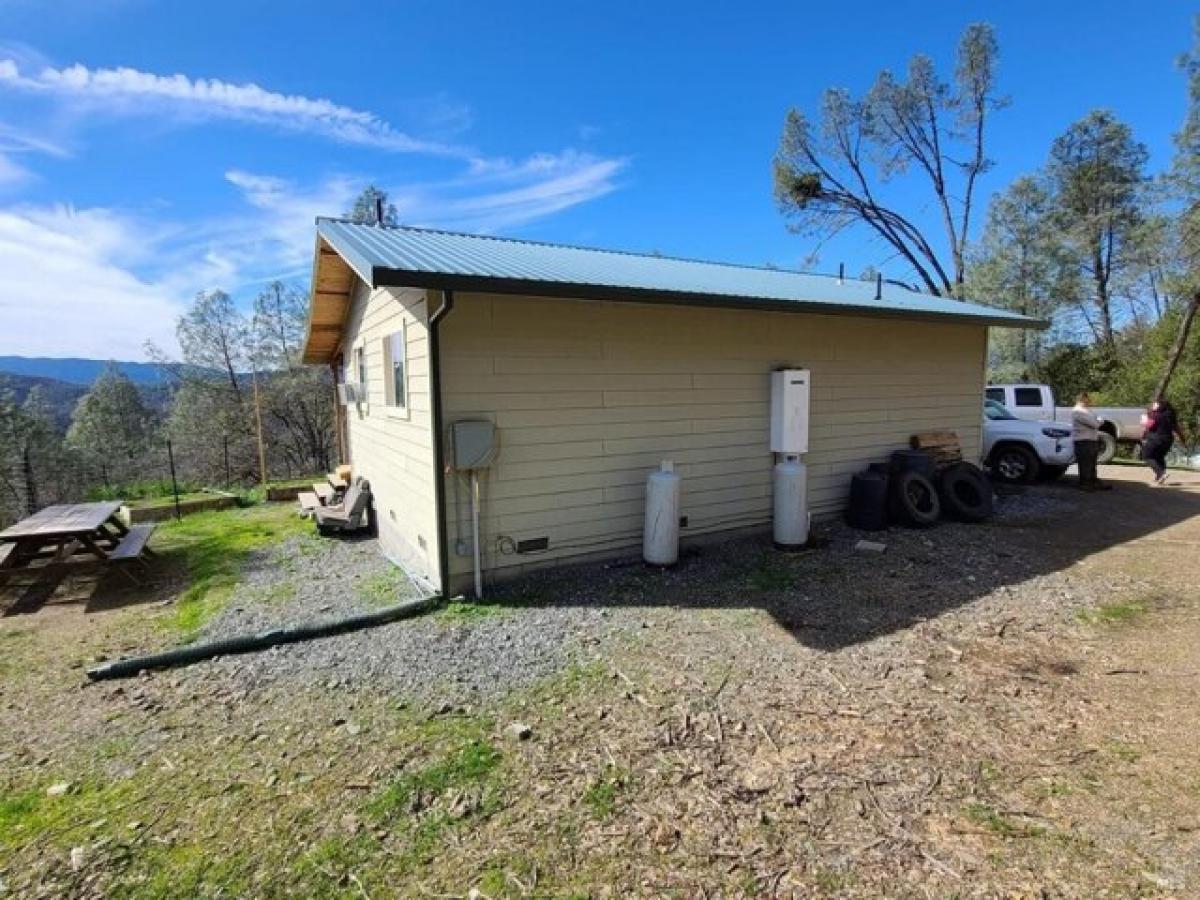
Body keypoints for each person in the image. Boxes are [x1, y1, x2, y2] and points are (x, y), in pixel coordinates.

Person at [1142, 398, 1187, 485]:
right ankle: (1160, 476)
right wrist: (1183, 440)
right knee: (1159, 456)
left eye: (1155, 404)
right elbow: (1177, 429)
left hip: (1155, 439)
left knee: (1147, 456)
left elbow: (1148, 426)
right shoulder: (1170, 416)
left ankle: (1161, 473)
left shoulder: (1156, 415)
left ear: (1160, 406)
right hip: (1168, 440)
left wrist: (1144, 419)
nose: (1153, 405)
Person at [1071, 392, 1111, 491]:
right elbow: (1095, 424)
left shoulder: (1087, 411)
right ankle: (1084, 484)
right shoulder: (1078, 411)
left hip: (1091, 440)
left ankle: (1094, 482)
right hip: (1083, 441)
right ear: (1082, 399)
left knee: (1092, 463)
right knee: (1085, 464)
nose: (1090, 401)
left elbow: (1097, 419)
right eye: (1088, 399)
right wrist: (1099, 420)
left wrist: (1099, 420)